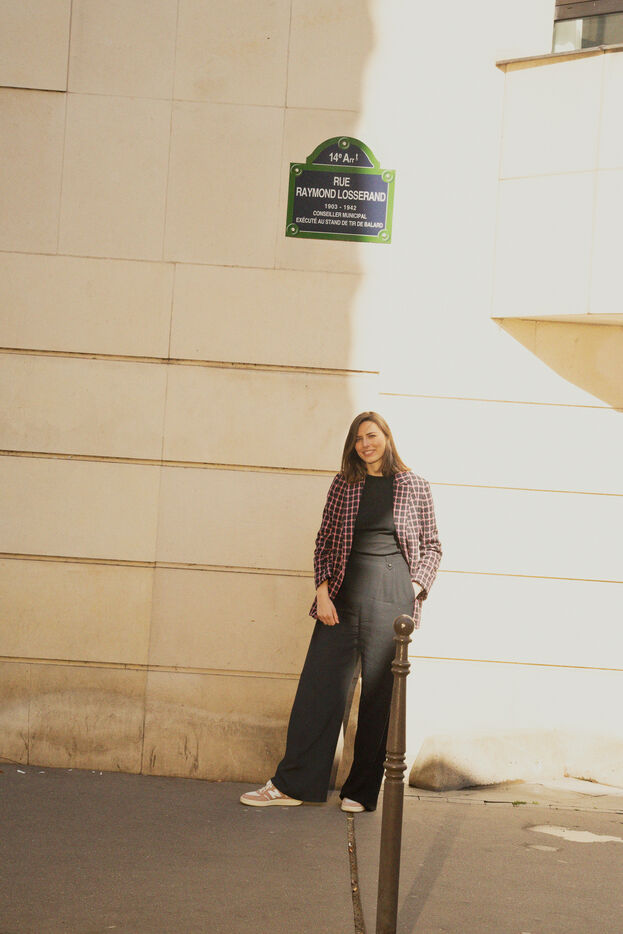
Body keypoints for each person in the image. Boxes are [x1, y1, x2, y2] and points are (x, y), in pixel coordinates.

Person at [240, 411, 442, 813]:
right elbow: (324, 541)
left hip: (392, 596)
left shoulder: (415, 486)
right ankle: (292, 785)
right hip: (343, 596)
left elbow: (433, 546)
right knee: (318, 690)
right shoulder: (344, 484)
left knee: (379, 697)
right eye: (358, 439)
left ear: (387, 437)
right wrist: (323, 592)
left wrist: (413, 588)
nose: (366, 444)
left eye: (372, 435)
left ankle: (361, 792)